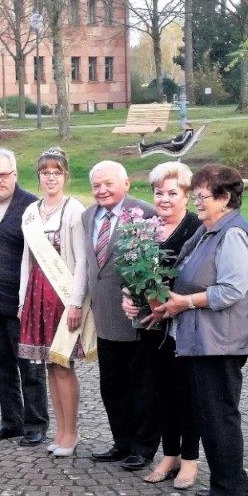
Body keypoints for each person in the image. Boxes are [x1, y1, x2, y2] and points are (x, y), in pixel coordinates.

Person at [149, 164, 248, 496]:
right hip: (205, 339)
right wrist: (168, 303)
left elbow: (231, 289)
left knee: (218, 415)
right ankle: (230, 483)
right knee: (212, 413)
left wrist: (185, 302)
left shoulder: (232, 234)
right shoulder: (211, 230)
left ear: (225, 198)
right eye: (195, 196)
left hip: (221, 341)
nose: (196, 203)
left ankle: (229, 492)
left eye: (202, 197)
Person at [120, 162, 202, 489]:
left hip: (185, 327)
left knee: (187, 394)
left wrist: (173, 303)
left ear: (186, 195)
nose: (164, 199)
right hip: (152, 328)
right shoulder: (146, 229)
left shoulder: (196, 229)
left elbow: (199, 279)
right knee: (161, 393)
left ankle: (191, 461)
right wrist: (128, 296)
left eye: (172, 193)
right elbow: (134, 274)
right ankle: (170, 455)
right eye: (159, 192)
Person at [17, 148, 94, 457]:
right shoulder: (31, 212)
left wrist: (76, 303)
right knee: (50, 365)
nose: (50, 177)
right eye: (45, 172)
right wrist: (22, 301)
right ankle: (60, 430)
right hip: (37, 294)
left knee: (63, 364)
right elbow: (26, 260)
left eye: (56, 172)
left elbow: (83, 262)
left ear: (65, 176)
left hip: (63, 297)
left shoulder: (74, 210)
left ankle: (71, 433)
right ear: (38, 176)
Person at [82, 160, 157, 471]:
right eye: (97, 185)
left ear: (126, 183)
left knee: (141, 385)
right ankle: (121, 442)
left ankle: (143, 447)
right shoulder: (88, 216)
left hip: (136, 316)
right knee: (111, 386)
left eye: (108, 183)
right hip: (103, 313)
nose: (102, 190)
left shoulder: (145, 213)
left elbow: (154, 264)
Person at [0, 148, 48, 447]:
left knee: (29, 366)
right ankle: (11, 421)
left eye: (4, 174)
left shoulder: (31, 207)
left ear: (15, 174)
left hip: (22, 305)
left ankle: (36, 423)